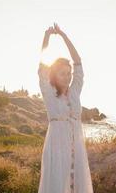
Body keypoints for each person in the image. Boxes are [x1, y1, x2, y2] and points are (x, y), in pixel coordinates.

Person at [37, 23, 94, 193]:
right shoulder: (48, 92)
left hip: (76, 147)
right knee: (57, 185)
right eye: (63, 73)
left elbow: (78, 63)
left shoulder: (75, 91)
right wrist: (47, 37)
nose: (68, 77)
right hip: (56, 146)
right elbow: (42, 65)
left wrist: (63, 36)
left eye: (69, 73)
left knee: (77, 185)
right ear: (54, 75)